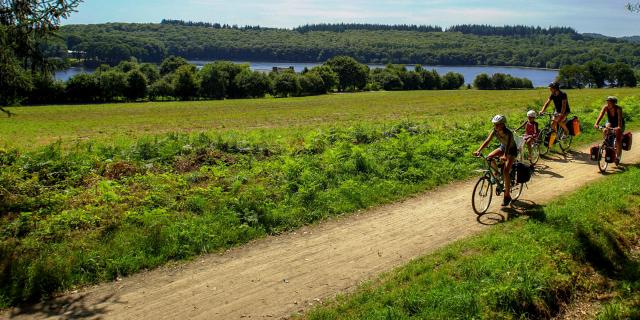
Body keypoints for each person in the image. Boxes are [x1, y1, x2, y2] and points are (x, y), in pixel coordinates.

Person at [474, 114, 518, 206]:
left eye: (497, 124)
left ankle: (507, 196)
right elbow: (487, 141)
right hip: (503, 147)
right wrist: (479, 150)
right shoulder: (495, 131)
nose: (495, 126)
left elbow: (509, 146)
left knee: (506, 171)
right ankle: (497, 174)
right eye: (494, 124)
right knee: (489, 157)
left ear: (503, 124)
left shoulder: (508, 133)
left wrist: (505, 156)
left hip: (511, 150)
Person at [594, 96, 625, 164]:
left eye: (609, 102)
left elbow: (619, 120)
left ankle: (618, 157)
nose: (608, 103)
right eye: (607, 101)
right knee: (605, 129)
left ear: (614, 103)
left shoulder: (618, 108)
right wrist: (596, 124)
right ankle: (606, 143)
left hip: (619, 123)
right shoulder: (606, 107)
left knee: (618, 139)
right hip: (610, 122)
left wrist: (618, 127)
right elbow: (601, 115)